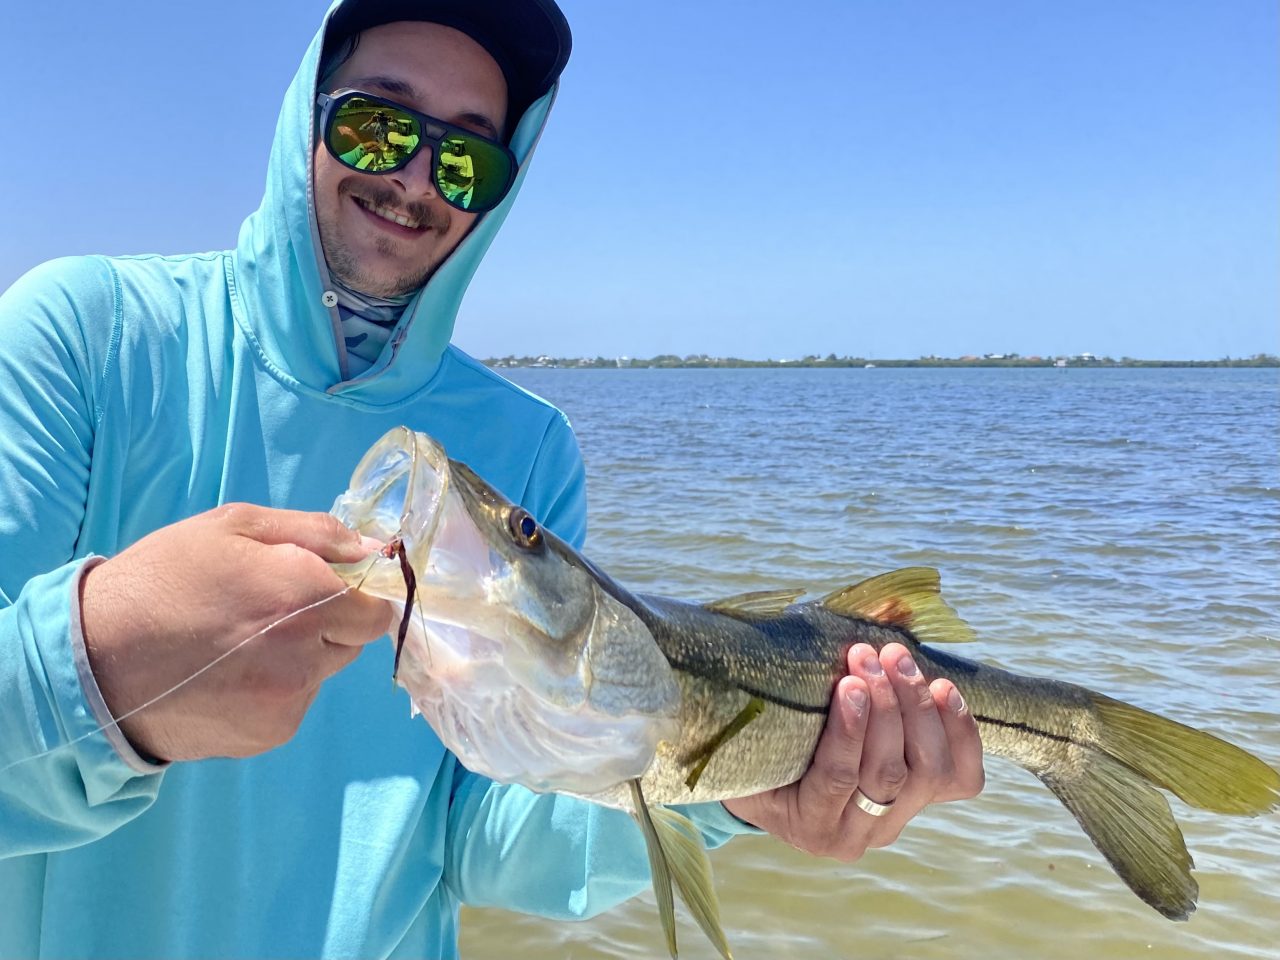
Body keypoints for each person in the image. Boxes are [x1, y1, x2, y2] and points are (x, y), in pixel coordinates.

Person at [0, 1, 984, 956]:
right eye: (379, 125)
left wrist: (727, 789)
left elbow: (487, 841)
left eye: (467, 157)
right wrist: (101, 663)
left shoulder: (526, 443)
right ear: (309, 118)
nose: (418, 178)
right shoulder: (84, 334)